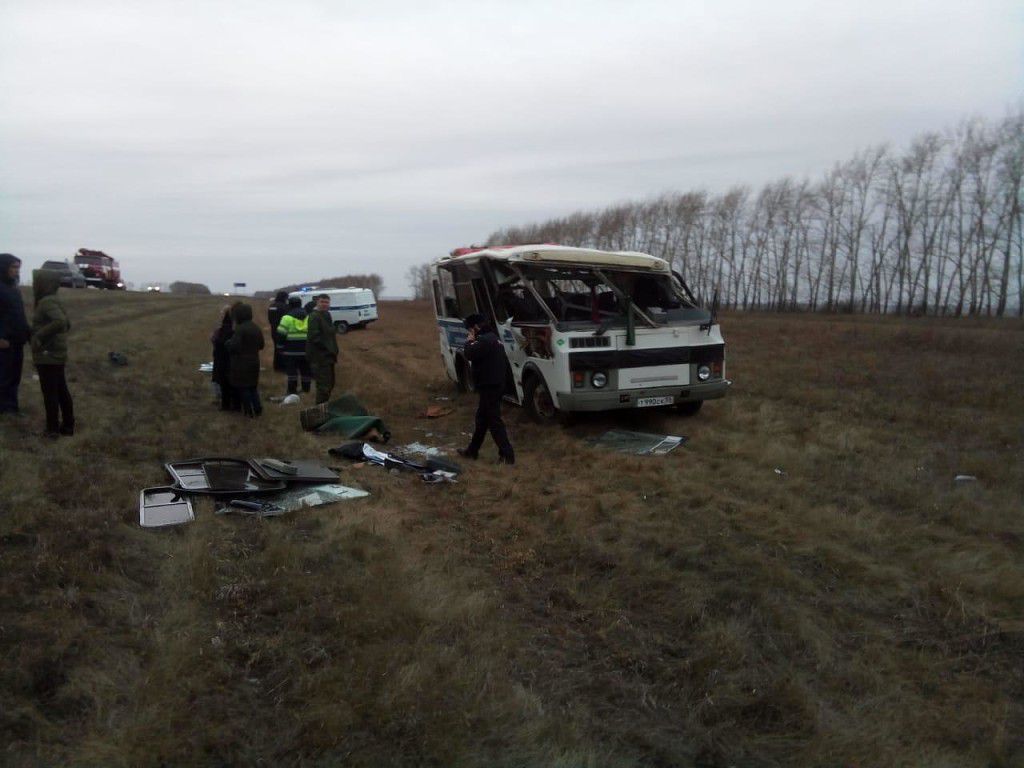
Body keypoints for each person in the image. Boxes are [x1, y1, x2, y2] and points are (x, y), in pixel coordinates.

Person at [457, 313, 515, 465]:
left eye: (470, 330)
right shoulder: (493, 338)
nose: (470, 333)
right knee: (482, 420)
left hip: (489, 386)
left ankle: (507, 455)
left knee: (494, 421)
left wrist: (469, 342)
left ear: (476, 327)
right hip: (494, 384)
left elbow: (469, 354)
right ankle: (472, 451)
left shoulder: (484, 340)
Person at [30, 269, 74, 437]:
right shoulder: (54, 300)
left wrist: (39, 336)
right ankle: (68, 426)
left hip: (48, 355)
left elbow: (61, 322)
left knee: (50, 393)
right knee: (61, 390)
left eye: (36, 281)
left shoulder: (46, 302)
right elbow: (66, 324)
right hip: (56, 353)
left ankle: (52, 429)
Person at [0, 253, 30, 415]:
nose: (16, 271)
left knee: (14, 376)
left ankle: (11, 407)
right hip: (4, 341)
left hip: (17, 340)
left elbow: (18, 314)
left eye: (18, 268)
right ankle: (4, 408)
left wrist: (27, 332)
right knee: (4, 376)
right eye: (13, 267)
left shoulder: (13, 289)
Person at [225, 302, 265, 417]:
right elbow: (261, 345)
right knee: (253, 387)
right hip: (254, 361)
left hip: (241, 363)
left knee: (244, 388)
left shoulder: (240, 329)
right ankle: (258, 408)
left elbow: (234, 346)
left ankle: (248, 411)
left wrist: (228, 343)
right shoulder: (256, 327)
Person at [276, 296, 312, 396]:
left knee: (292, 372)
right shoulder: (309, 317)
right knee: (305, 371)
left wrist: (279, 347)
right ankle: (306, 390)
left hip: (290, 351)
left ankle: (292, 391)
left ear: (290, 305)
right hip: (306, 350)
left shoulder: (286, 318)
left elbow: (281, 334)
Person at [306, 293, 338, 404]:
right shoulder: (314, 316)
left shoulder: (327, 315)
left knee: (330, 384)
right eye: (322, 302)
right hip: (319, 357)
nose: (324, 304)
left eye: (327, 302)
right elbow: (314, 337)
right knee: (323, 387)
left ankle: (324, 409)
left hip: (329, 357)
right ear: (317, 303)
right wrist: (327, 348)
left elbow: (329, 334)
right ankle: (319, 413)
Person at [210, 307, 240, 411]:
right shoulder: (236, 331)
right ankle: (236, 405)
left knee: (223, 383)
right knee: (233, 383)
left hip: (220, 360)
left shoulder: (219, 331)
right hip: (232, 360)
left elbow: (213, 340)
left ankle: (225, 405)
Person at [268, 291, 289, 372]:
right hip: (282, 330)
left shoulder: (271, 306)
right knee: (283, 348)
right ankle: (282, 367)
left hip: (274, 330)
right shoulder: (285, 307)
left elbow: (270, 319)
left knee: (276, 348)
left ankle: (276, 366)